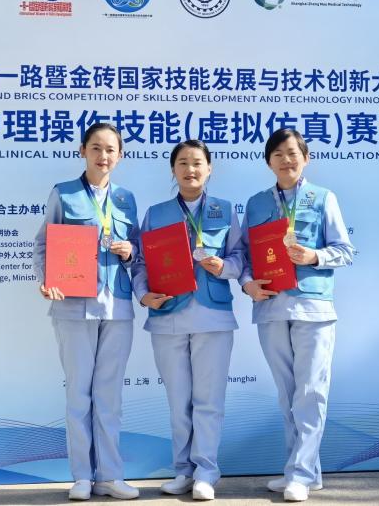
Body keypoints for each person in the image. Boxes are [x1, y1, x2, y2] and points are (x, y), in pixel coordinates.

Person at [240, 128, 355, 502]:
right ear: (268, 162)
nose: (286, 160)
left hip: (312, 307)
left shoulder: (323, 198)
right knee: (288, 394)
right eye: (278, 154)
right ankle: (304, 471)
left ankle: (300, 475)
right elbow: (245, 256)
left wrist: (314, 256)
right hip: (271, 308)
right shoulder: (257, 203)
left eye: (292, 153)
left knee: (310, 392)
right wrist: (247, 284)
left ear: (306, 158)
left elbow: (345, 250)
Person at [33, 123, 141, 501]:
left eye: (111, 149)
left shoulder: (126, 199)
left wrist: (130, 252)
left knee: (109, 397)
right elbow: (44, 245)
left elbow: (138, 252)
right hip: (73, 306)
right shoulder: (63, 193)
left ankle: (110, 476)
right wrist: (47, 280)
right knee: (79, 395)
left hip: (118, 306)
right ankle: (81, 476)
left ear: (120, 155)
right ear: (83, 151)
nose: (103, 156)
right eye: (96, 148)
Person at [131, 140, 243, 501]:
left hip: (213, 316)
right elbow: (141, 264)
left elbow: (241, 258)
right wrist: (143, 294)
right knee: (179, 401)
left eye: (197, 162)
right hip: (167, 316)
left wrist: (223, 267)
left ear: (209, 168)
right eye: (182, 163)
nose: (190, 169)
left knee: (208, 400)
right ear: (173, 170)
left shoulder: (225, 210)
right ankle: (183, 471)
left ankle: (206, 471)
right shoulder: (156, 213)